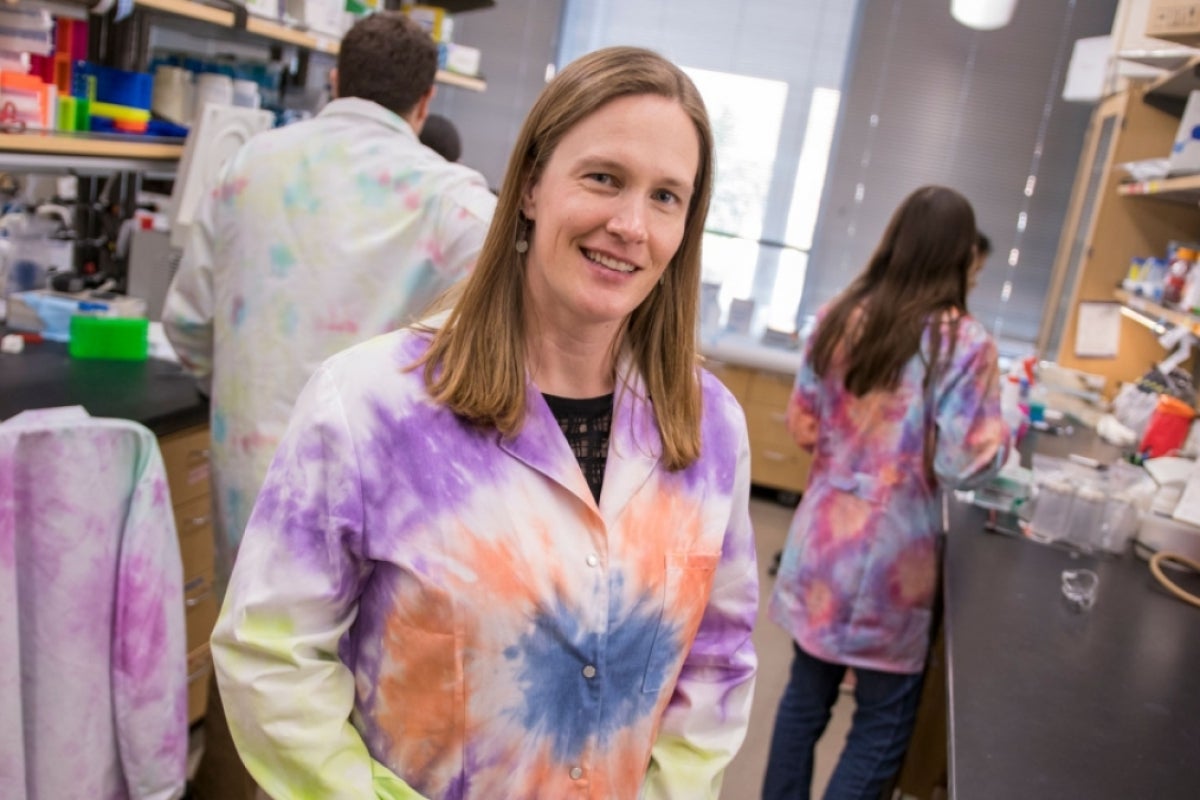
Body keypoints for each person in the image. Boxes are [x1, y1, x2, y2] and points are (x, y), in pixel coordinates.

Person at [210, 46, 758, 799]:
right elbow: (270, 653)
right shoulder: (372, 404)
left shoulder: (710, 429)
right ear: (531, 184)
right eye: (604, 178)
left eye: (667, 197)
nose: (631, 224)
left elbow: (718, 659)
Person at [162, 13, 495, 799]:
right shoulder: (451, 201)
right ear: (426, 100)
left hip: (249, 481)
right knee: (348, 720)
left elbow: (186, 325)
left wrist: (236, 395)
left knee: (249, 674)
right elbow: (506, 342)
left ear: (335, 81)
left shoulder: (248, 167)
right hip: (375, 508)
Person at [762, 186, 1009, 800]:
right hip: (895, 563)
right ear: (960, 256)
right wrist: (1005, 436)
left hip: (823, 543)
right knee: (881, 722)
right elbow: (963, 459)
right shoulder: (962, 342)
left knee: (803, 699)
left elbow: (804, 425)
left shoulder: (838, 315)